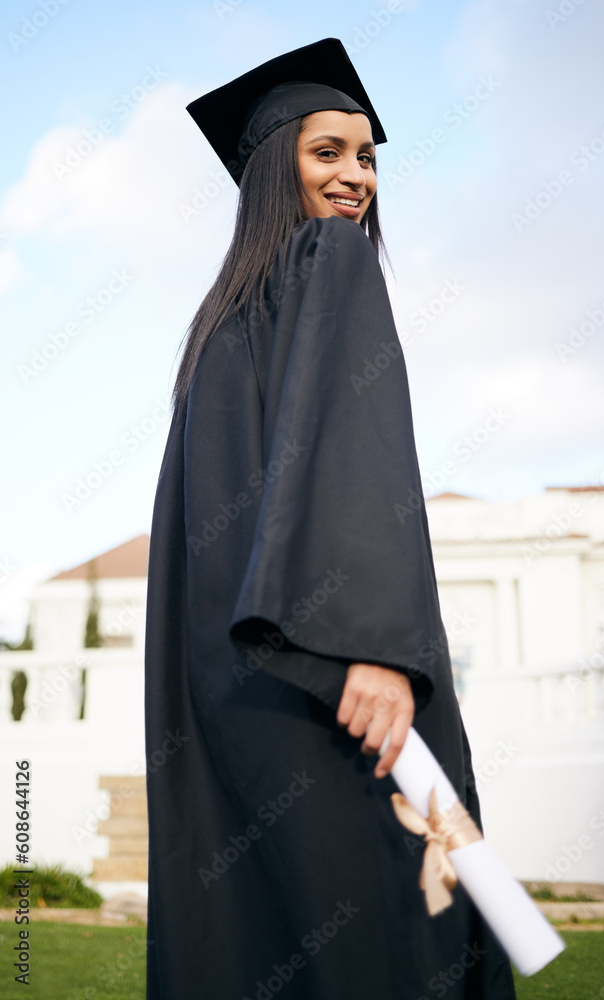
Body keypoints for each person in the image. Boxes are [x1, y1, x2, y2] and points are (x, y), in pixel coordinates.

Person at [144, 37, 517, 1000]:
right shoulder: (330, 263)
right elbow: (354, 458)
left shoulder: (219, 324)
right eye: (327, 153)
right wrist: (375, 647)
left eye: (365, 159)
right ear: (277, 170)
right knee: (398, 937)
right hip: (335, 682)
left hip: (235, 695)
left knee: (267, 934)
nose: (355, 178)